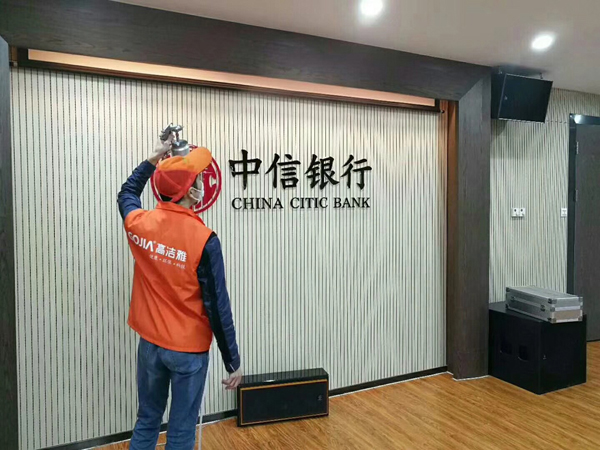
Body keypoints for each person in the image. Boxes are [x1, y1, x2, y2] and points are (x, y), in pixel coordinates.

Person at [117, 134, 241, 450]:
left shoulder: (140, 224)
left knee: (147, 420)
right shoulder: (204, 240)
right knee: (182, 431)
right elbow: (218, 306)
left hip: (150, 345)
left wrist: (152, 159)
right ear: (190, 192)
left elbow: (127, 193)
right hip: (188, 350)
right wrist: (232, 360)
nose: (202, 183)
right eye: (198, 178)